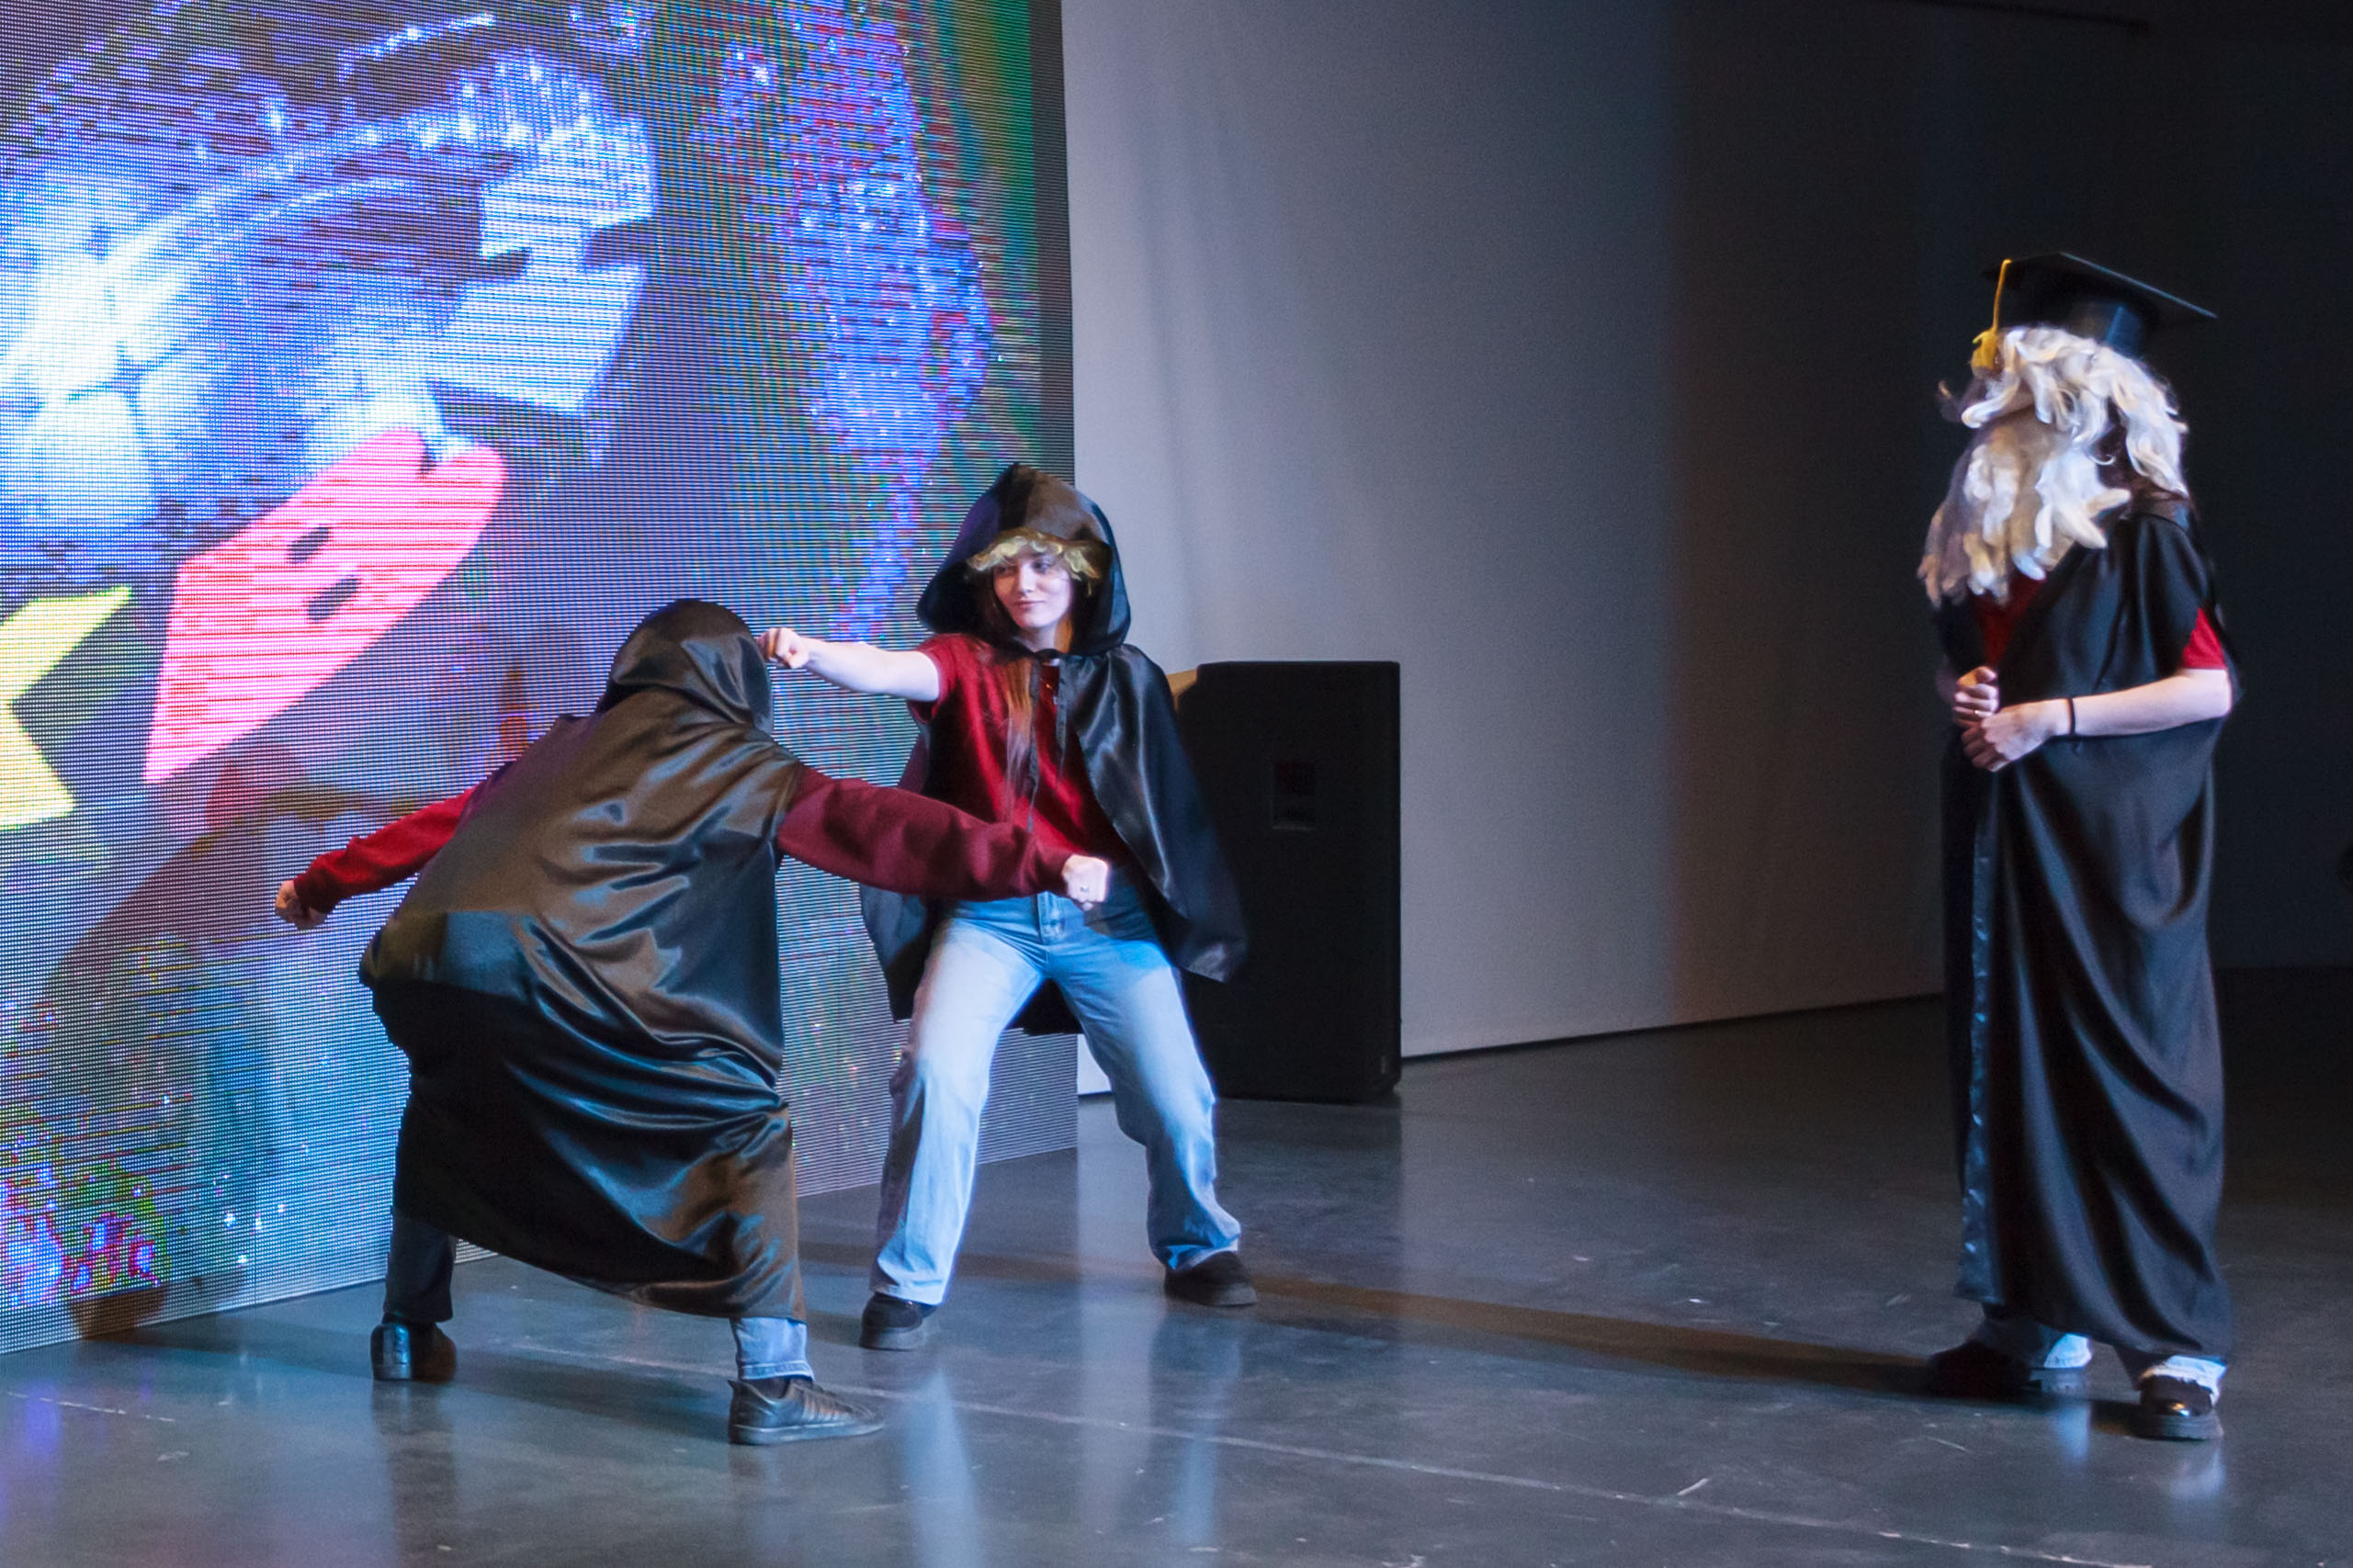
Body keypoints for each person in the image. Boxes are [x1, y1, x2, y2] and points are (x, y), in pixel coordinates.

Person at [275, 600, 1109, 1443]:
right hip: (572, 978)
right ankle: (775, 1382)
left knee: (448, 1110)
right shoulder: (745, 766)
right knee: (745, 1131)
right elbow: (881, 825)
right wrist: (1038, 860)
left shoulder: (558, 749)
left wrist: (320, 885)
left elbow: (436, 825)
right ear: (737, 682)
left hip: (430, 966)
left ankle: (406, 1331)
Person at [760, 463, 1250, 1350]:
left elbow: (1163, 811)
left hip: (1107, 924)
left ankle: (1198, 1245)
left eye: (1045, 565)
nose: (1025, 583)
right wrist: (813, 652)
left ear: (1081, 575)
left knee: (1176, 1095)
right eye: (1008, 567)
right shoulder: (963, 663)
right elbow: (887, 669)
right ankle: (907, 1282)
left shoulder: (1126, 676)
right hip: (991, 919)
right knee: (935, 1074)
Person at [1917, 255, 2237, 1441]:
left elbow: (2207, 688)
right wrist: (1970, 693)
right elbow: (1967, 662)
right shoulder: (1988, 533)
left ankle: (2172, 1341)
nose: (1999, 408)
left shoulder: (2144, 530)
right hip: (2007, 834)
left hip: (2108, 844)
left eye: (2023, 390)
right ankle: (2031, 1319)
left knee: (2128, 1072)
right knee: (2007, 1065)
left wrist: (2049, 717)